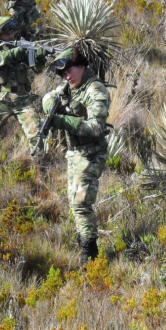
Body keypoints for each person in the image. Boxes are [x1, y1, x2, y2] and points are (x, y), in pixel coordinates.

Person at [41, 47, 111, 266]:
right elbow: (49, 98)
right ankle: (84, 239)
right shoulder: (69, 87)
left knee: (81, 203)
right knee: (74, 201)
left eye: (70, 71)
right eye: (63, 74)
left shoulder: (95, 89)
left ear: (82, 66)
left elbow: (96, 128)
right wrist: (49, 105)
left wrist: (62, 121)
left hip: (91, 154)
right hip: (74, 152)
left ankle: (89, 253)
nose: (67, 77)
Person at [0, 16, 48, 149]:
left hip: (22, 99)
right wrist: (12, 54)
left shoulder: (21, 46)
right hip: (1, 99)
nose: (11, 35)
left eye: (12, 32)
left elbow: (36, 69)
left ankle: (38, 162)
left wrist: (40, 58)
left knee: (36, 134)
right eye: (8, 33)